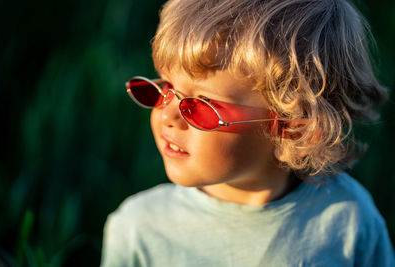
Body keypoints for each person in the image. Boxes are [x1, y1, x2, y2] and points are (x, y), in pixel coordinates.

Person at [101, 0, 395, 266]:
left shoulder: (347, 220)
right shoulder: (139, 228)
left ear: (292, 129)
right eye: (164, 88)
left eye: (202, 104)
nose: (168, 115)